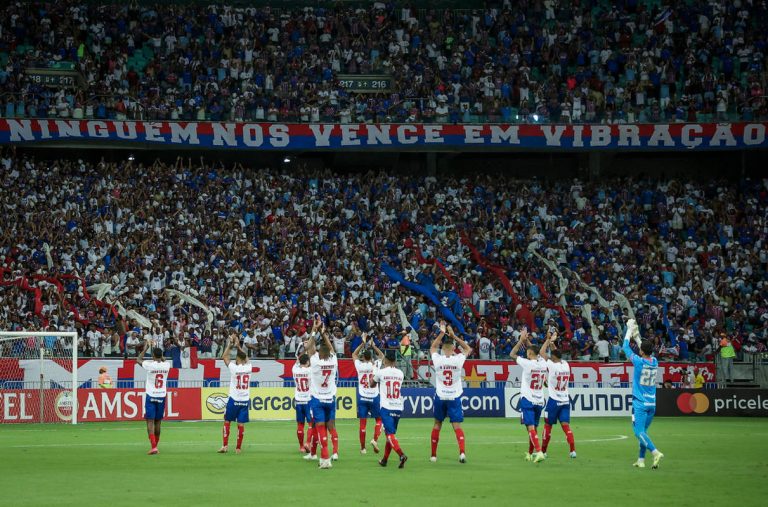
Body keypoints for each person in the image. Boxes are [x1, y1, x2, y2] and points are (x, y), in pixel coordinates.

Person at [623, 319, 664, 469]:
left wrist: (629, 330)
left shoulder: (639, 362)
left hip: (639, 403)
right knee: (643, 432)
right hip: (651, 403)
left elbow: (625, 347)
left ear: (641, 351)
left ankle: (655, 452)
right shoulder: (654, 361)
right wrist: (637, 335)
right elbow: (645, 349)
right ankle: (641, 460)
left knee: (638, 432)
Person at [429, 322, 471, 464]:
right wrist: (455, 336)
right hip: (454, 396)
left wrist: (441, 333)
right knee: (457, 426)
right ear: (453, 348)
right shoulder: (458, 360)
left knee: (437, 424)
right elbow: (467, 348)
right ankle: (462, 453)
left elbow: (433, 347)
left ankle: (434, 456)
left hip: (440, 396)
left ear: (443, 348)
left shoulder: (438, 360)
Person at [510, 327, 547, 463]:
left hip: (528, 399)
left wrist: (521, 341)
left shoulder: (527, 363)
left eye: (527, 352)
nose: (526, 353)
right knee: (533, 428)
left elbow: (512, 354)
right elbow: (535, 352)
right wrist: (528, 342)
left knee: (530, 428)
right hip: (539, 400)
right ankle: (531, 453)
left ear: (530, 353)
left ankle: (539, 452)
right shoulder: (542, 363)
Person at [305, 318, 339, 469]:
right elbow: (331, 349)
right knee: (330, 426)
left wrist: (314, 329)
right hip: (330, 399)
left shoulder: (315, 361)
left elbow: (309, 347)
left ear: (319, 354)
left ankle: (325, 458)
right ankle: (330, 454)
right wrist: (324, 333)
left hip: (317, 399)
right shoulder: (333, 361)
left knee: (319, 427)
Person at [539, 330, 576, 458]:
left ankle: (543, 451)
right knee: (566, 426)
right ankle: (572, 451)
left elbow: (541, 353)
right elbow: (555, 352)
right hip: (565, 401)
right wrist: (552, 342)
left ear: (553, 357)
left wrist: (548, 340)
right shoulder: (566, 364)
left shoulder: (552, 365)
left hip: (554, 400)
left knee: (548, 425)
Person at [371, 349, 407, 468]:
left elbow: (372, 384)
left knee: (389, 434)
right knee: (390, 434)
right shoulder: (400, 373)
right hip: (398, 407)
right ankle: (385, 460)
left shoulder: (381, 372)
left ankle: (401, 455)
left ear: (385, 360)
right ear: (395, 361)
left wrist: (375, 371)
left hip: (387, 407)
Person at [136, 339, 171, 455]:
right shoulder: (167, 365)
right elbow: (163, 360)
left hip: (151, 395)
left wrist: (146, 348)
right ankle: (156, 445)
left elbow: (138, 360)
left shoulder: (149, 365)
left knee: (150, 421)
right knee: (158, 422)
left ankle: (153, 446)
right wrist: (160, 356)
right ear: (161, 355)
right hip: (161, 396)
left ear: (152, 355)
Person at [218, 334, 251, 454]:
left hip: (233, 399)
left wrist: (229, 345)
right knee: (240, 425)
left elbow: (224, 357)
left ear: (238, 360)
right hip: (244, 400)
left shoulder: (234, 368)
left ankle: (225, 446)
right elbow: (245, 358)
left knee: (227, 421)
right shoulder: (249, 367)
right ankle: (238, 448)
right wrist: (238, 346)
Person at [352, 332, 385, 455]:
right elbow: (381, 355)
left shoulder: (359, 365)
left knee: (363, 423)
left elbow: (354, 354)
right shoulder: (375, 365)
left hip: (362, 397)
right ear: (371, 357)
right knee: (379, 420)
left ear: (363, 357)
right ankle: (375, 439)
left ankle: (362, 448)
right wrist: (373, 345)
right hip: (374, 396)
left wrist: (363, 343)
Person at [293, 352, 315, 458]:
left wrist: (302, 352)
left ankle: (301, 446)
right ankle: (308, 443)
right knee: (311, 423)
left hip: (298, 400)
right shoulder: (310, 371)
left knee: (300, 424)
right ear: (307, 362)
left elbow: (297, 362)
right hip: (308, 400)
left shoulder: (294, 370)